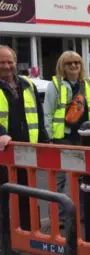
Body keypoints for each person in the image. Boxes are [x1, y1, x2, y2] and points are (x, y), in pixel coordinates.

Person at [44, 51, 90, 227]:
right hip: (63, 138)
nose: (74, 66)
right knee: (59, 179)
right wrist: (50, 138)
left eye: (77, 62)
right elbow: (48, 112)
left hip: (85, 138)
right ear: (62, 66)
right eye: (69, 63)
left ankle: (82, 213)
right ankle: (59, 217)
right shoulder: (56, 85)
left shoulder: (89, 83)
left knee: (84, 178)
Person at [0, 46, 49, 231]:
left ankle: (29, 241)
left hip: (26, 152)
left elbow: (38, 114)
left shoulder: (27, 84)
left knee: (27, 197)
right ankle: (6, 246)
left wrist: (44, 143)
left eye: (9, 61)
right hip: (3, 154)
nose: (6, 65)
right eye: (1, 62)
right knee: (4, 200)